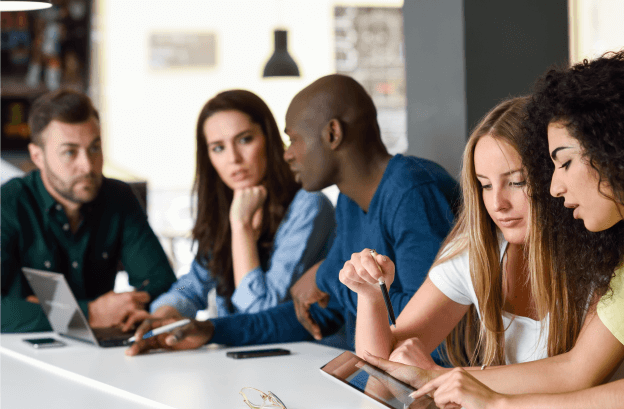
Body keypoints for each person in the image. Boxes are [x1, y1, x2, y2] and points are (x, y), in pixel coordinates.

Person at [364, 50, 624, 409]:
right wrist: (440, 379)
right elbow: (573, 371)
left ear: (618, 151)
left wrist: (496, 406)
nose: (554, 187)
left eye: (563, 163)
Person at [125, 74, 460, 355]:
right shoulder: (349, 201)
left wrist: (326, 276)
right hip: (381, 376)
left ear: (332, 134)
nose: (287, 154)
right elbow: (321, 312)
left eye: (294, 139)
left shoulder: (413, 191)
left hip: (433, 393)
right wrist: (210, 330)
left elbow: (430, 323)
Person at [340, 97, 590, 371]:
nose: (498, 204)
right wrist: (371, 297)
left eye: (517, 182)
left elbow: (574, 377)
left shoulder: (598, 259)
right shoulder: (478, 250)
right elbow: (382, 369)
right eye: (485, 185)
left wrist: (444, 377)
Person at [142, 90, 335, 327]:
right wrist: (163, 313)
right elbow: (191, 284)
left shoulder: (308, 205)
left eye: (244, 140)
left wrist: (241, 228)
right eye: (218, 148)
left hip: (302, 356)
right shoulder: (226, 208)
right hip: (239, 355)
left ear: (268, 139)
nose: (233, 158)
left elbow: (259, 312)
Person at [1, 89, 176, 333]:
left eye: (95, 148)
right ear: (37, 156)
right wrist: (91, 313)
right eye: (70, 152)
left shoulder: (119, 197)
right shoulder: (8, 203)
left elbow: (161, 283)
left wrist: (123, 307)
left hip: (100, 351)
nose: (87, 165)